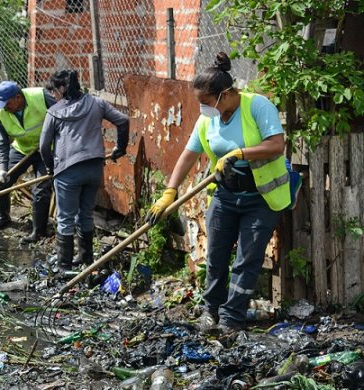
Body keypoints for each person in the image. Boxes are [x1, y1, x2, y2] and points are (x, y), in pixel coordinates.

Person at [146, 52, 293, 333]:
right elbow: (188, 156)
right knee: (215, 257)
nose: (203, 108)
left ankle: (231, 319)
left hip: (261, 198)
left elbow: (276, 145)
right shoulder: (207, 121)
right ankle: (210, 311)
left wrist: (241, 152)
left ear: (225, 94)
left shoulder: (257, 107)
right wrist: (170, 192)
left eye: (206, 102)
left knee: (246, 260)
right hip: (225, 196)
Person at [39, 70, 129, 270]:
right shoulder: (97, 103)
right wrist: (120, 148)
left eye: (54, 91)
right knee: (85, 214)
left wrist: (50, 168)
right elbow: (123, 120)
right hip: (94, 169)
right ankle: (86, 259)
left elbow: (44, 146)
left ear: (62, 88)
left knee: (65, 218)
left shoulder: (54, 112)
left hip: (67, 171)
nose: (53, 96)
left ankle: (64, 266)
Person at [0, 81, 57, 244]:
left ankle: (38, 232)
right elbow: (1, 141)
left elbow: (64, 116)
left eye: (7, 104)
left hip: (47, 148)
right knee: (2, 182)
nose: (5, 108)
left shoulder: (41, 96)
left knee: (41, 188)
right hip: (22, 148)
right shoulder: (1, 112)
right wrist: (2, 168)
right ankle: (3, 217)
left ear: (18, 98)